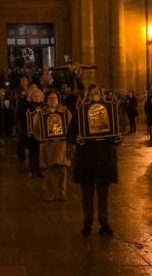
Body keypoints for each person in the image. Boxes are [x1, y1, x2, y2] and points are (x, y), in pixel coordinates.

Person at [73, 86, 120, 236]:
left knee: (103, 194)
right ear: (87, 96)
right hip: (86, 158)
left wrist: (118, 138)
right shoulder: (80, 112)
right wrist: (76, 138)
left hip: (105, 157)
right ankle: (87, 223)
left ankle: (104, 223)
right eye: (92, 94)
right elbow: (70, 134)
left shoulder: (109, 111)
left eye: (97, 94)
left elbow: (114, 134)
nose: (95, 96)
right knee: (87, 195)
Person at [38, 90, 71, 202]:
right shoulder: (42, 113)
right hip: (49, 144)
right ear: (46, 101)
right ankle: (50, 194)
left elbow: (71, 126)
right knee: (49, 170)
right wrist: (42, 138)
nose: (53, 101)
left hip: (62, 144)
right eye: (50, 98)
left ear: (58, 100)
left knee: (63, 169)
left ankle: (62, 193)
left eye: (54, 98)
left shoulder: (64, 112)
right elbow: (37, 128)